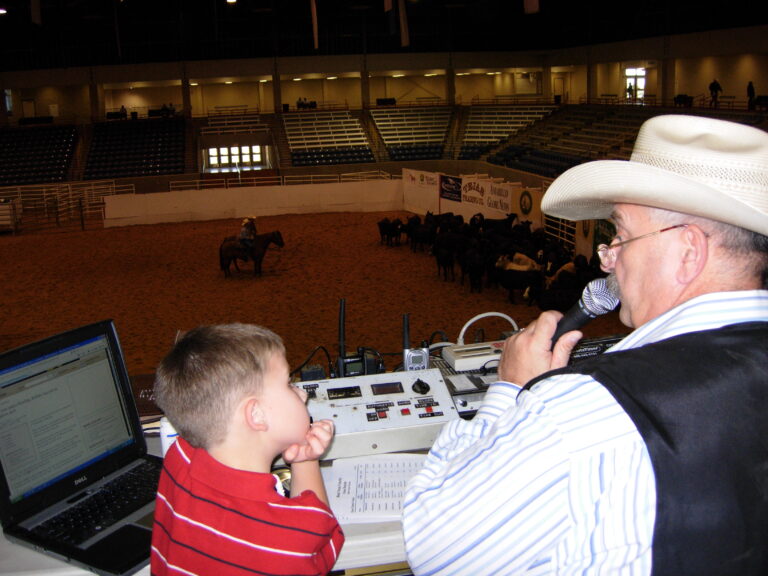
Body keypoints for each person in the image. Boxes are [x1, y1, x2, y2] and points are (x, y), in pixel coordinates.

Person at [403, 114, 768, 575]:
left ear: (689, 251)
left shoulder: (583, 408)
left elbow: (434, 549)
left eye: (622, 236)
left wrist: (511, 391)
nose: (608, 259)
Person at [151, 324, 344, 576]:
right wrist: (306, 463)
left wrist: (300, 452)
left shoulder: (180, 456)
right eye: (289, 384)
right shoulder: (286, 538)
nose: (302, 394)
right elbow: (321, 546)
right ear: (256, 414)